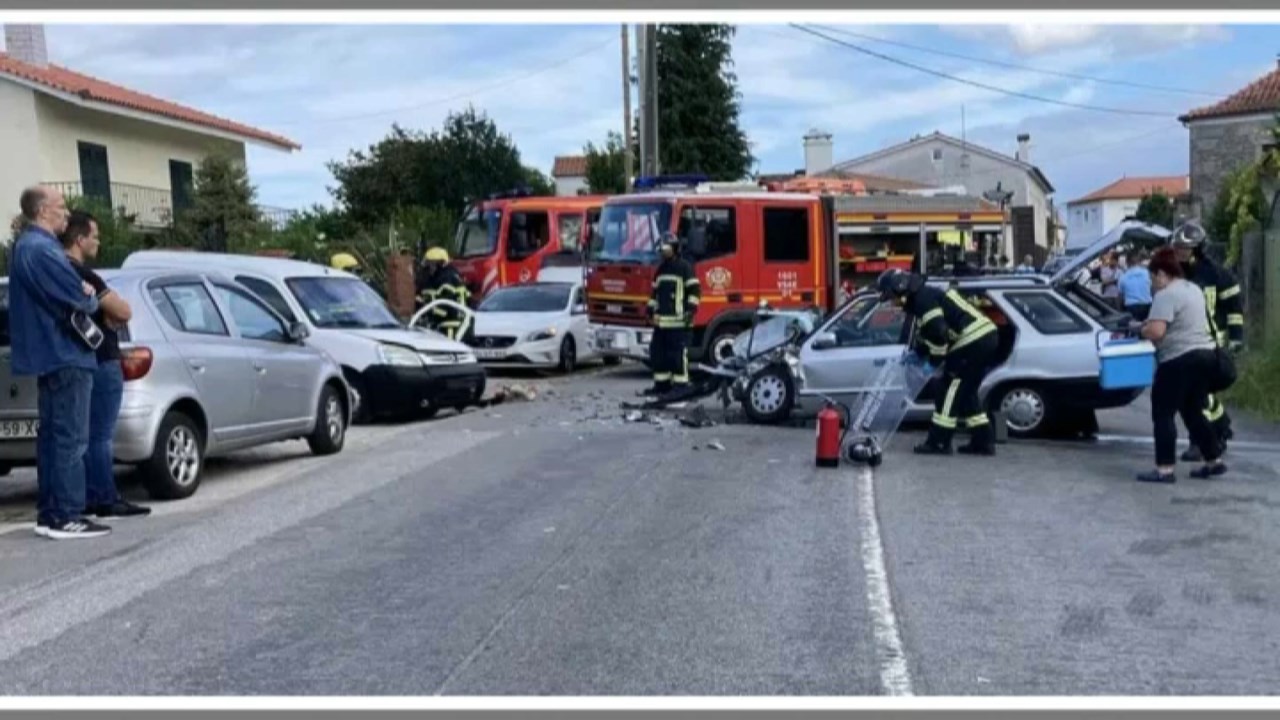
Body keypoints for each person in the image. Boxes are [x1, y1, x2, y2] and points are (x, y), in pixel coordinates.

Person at [8, 186, 109, 539]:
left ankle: (50, 514)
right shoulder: (43, 250)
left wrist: (83, 293)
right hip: (66, 353)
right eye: (60, 206)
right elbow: (83, 299)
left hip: (47, 356)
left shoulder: (23, 248)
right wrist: (89, 295)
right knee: (70, 438)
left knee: (52, 438)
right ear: (41, 211)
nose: (66, 212)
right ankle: (66, 515)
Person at [61, 211, 151, 520]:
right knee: (100, 435)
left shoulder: (60, 271)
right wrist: (108, 308)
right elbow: (122, 312)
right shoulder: (86, 276)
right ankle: (105, 497)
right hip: (101, 360)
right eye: (95, 235)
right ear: (80, 239)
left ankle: (88, 495)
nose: (98, 241)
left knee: (83, 435)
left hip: (79, 359)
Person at [878, 268, 999, 456]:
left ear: (900, 289)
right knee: (966, 393)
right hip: (982, 338)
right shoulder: (923, 296)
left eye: (892, 297)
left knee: (948, 389)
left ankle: (939, 443)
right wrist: (918, 352)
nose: (893, 303)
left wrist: (931, 365)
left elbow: (940, 336)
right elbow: (931, 334)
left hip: (972, 341)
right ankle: (983, 441)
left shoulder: (922, 301)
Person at [1136, 246, 1225, 483]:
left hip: (1178, 360)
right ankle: (1213, 460)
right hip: (1205, 356)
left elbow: (1156, 332)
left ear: (1161, 274)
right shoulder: (1193, 289)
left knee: (1163, 413)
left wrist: (1141, 329)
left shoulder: (1165, 295)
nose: (1152, 284)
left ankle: (1164, 469)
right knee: (1193, 411)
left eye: (1152, 278)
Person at [1169, 221, 1243, 462]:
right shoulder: (1177, 274)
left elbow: (1234, 310)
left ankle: (1203, 442)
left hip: (1212, 346)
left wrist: (1236, 339)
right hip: (1186, 344)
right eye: (1177, 248)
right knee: (1195, 395)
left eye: (1185, 248)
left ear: (1198, 249)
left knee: (1195, 396)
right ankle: (1218, 428)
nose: (1180, 252)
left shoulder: (1217, 274)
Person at [642, 232, 701, 399]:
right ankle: (662, 385)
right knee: (658, 354)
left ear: (675, 248)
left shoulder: (684, 267)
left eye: (666, 248)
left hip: (680, 322)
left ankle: (681, 386)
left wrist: (690, 309)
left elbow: (695, 290)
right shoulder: (661, 269)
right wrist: (650, 310)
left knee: (677, 356)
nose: (663, 251)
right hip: (662, 323)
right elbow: (655, 294)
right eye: (662, 249)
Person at [415, 247, 471, 340]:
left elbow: (444, 310)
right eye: (428, 264)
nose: (429, 268)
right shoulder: (438, 278)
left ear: (441, 264)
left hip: (453, 326)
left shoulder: (447, 280)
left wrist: (425, 306)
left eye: (431, 264)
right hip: (446, 324)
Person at [1118, 249, 1153, 321]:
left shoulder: (1123, 277)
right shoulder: (1147, 273)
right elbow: (1152, 288)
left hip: (1131, 306)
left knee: (1133, 328)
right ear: (1139, 261)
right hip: (1147, 305)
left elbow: (1120, 296)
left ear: (1127, 262)